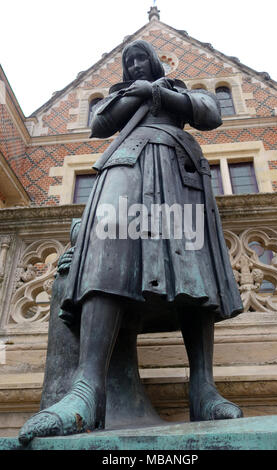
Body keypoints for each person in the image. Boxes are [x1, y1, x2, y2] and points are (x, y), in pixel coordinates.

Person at [18, 40, 243, 444]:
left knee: (195, 270)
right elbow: (100, 124)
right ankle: (87, 390)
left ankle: (203, 388)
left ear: (155, 62)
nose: (137, 65)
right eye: (130, 62)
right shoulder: (122, 96)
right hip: (125, 165)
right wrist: (133, 94)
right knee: (107, 254)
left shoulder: (178, 90)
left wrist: (157, 92)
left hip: (179, 169)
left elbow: (209, 114)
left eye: (142, 59)